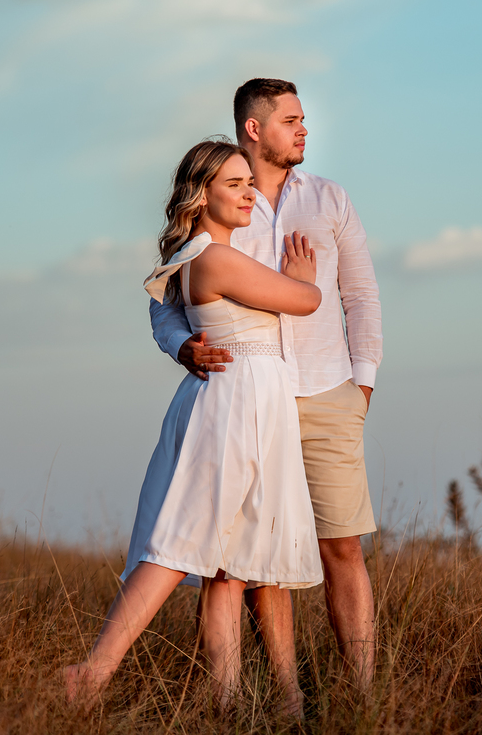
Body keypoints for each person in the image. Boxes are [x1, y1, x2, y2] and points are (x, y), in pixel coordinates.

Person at [63, 138, 323, 714]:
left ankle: (225, 698)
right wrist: (304, 279)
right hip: (236, 402)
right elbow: (304, 302)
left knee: (225, 558)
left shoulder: (196, 254)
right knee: (185, 537)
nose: (248, 193)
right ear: (200, 194)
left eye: (249, 183)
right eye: (234, 184)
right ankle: (95, 671)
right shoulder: (216, 258)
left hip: (242, 397)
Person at [150, 79, 383, 692]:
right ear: (254, 129)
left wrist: (363, 384)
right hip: (249, 402)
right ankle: (283, 700)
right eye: (291, 120)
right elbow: (165, 301)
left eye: (304, 118)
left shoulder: (330, 199)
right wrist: (183, 345)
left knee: (343, 546)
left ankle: (362, 696)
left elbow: (359, 295)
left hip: (328, 393)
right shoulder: (224, 197)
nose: (304, 129)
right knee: (254, 563)